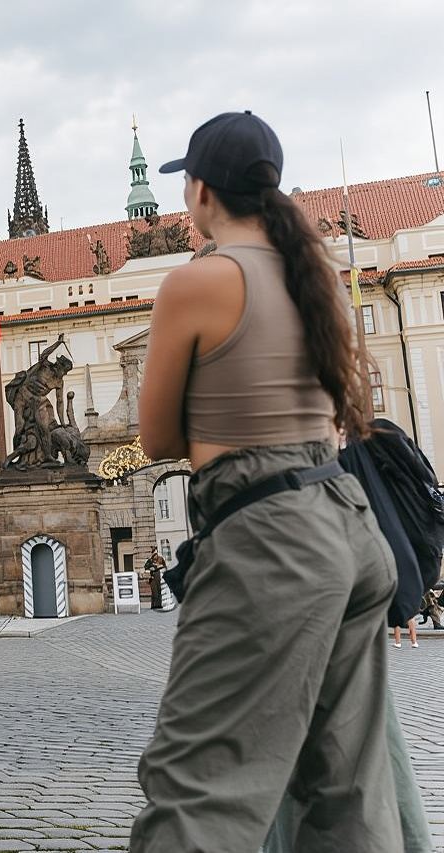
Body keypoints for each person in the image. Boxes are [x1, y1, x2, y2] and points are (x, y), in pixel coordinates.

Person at [130, 111, 401, 850]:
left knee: (196, 786)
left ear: (201, 191)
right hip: (347, 525)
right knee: (344, 787)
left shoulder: (201, 282)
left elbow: (157, 438)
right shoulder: (320, 278)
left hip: (267, 539)